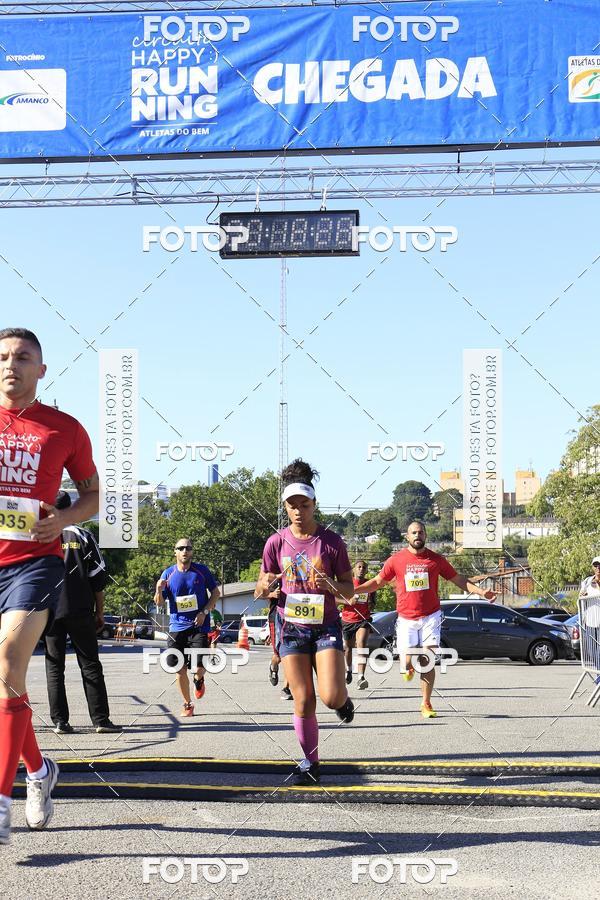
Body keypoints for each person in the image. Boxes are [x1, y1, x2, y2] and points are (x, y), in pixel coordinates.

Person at [0, 328, 99, 845]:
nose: (11, 365)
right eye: (3, 357)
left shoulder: (64, 428)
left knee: (10, 658)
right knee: (4, 685)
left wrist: (60, 522)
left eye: (23, 358)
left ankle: (1, 799)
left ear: (42, 369)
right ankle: (39, 771)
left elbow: (92, 496)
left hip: (34, 562)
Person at [255, 459, 355, 786]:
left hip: (325, 627)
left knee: (329, 697)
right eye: (292, 505)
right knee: (304, 699)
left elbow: (349, 590)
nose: (298, 510)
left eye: (305, 504)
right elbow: (261, 586)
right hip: (291, 628)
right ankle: (311, 763)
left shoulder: (331, 542)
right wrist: (267, 587)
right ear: (285, 507)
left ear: (314, 504)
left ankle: (343, 702)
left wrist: (332, 586)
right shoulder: (276, 543)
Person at [354, 520, 498, 718]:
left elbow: (459, 580)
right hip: (406, 618)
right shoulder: (396, 560)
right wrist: (353, 589)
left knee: (428, 659)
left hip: (431, 616)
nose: (417, 536)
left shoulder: (436, 560)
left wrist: (481, 592)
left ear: (425, 535)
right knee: (407, 661)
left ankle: (426, 703)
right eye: (413, 532)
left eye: (420, 532)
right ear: (407, 536)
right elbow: (378, 582)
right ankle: (408, 666)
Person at [44, 491, 121, 735]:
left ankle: (60, 722)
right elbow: (98, 576)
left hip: (50, 611)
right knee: (90, 664)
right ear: (70, 508)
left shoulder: (40, 535)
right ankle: (100, 720)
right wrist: (100, 611)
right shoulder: (84, 536)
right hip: (80, 609)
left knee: (54, 666)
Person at [154, 539, 220, 717]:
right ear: (175, 552)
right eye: (181, 548)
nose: (185, 551)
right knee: (179, 668)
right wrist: (159, 590)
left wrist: (204, 612)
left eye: (188, 548)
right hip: (177, 627)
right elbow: (159, 603)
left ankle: (199, 680)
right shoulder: (168, 573)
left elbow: (215, 593)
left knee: (199, 666)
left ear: (192, 552)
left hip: (198, 625)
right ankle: (187, 704)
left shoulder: (201, 571)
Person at [341, 560, 377, 690]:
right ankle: (349, 670)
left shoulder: (369, 584)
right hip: (348, 619)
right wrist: (349, 601)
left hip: (363, 619)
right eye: (359, 567)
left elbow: (373, 602)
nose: (361, 569)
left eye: (364, 567)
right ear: (354, 570)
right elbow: (337, 598)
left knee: (361, 643)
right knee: (348, 648)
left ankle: (361, 677)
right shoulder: (348, 584)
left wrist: (370, 602)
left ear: (366, 570)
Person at [264, 579, 293, 700]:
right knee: (278, 656)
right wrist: (271, 594)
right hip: (275, 618)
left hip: (293, 618)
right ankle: (273, 665)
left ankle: (286, 688)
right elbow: (258, 593)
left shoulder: (297, 576)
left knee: (291, 655)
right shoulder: (273, 576)